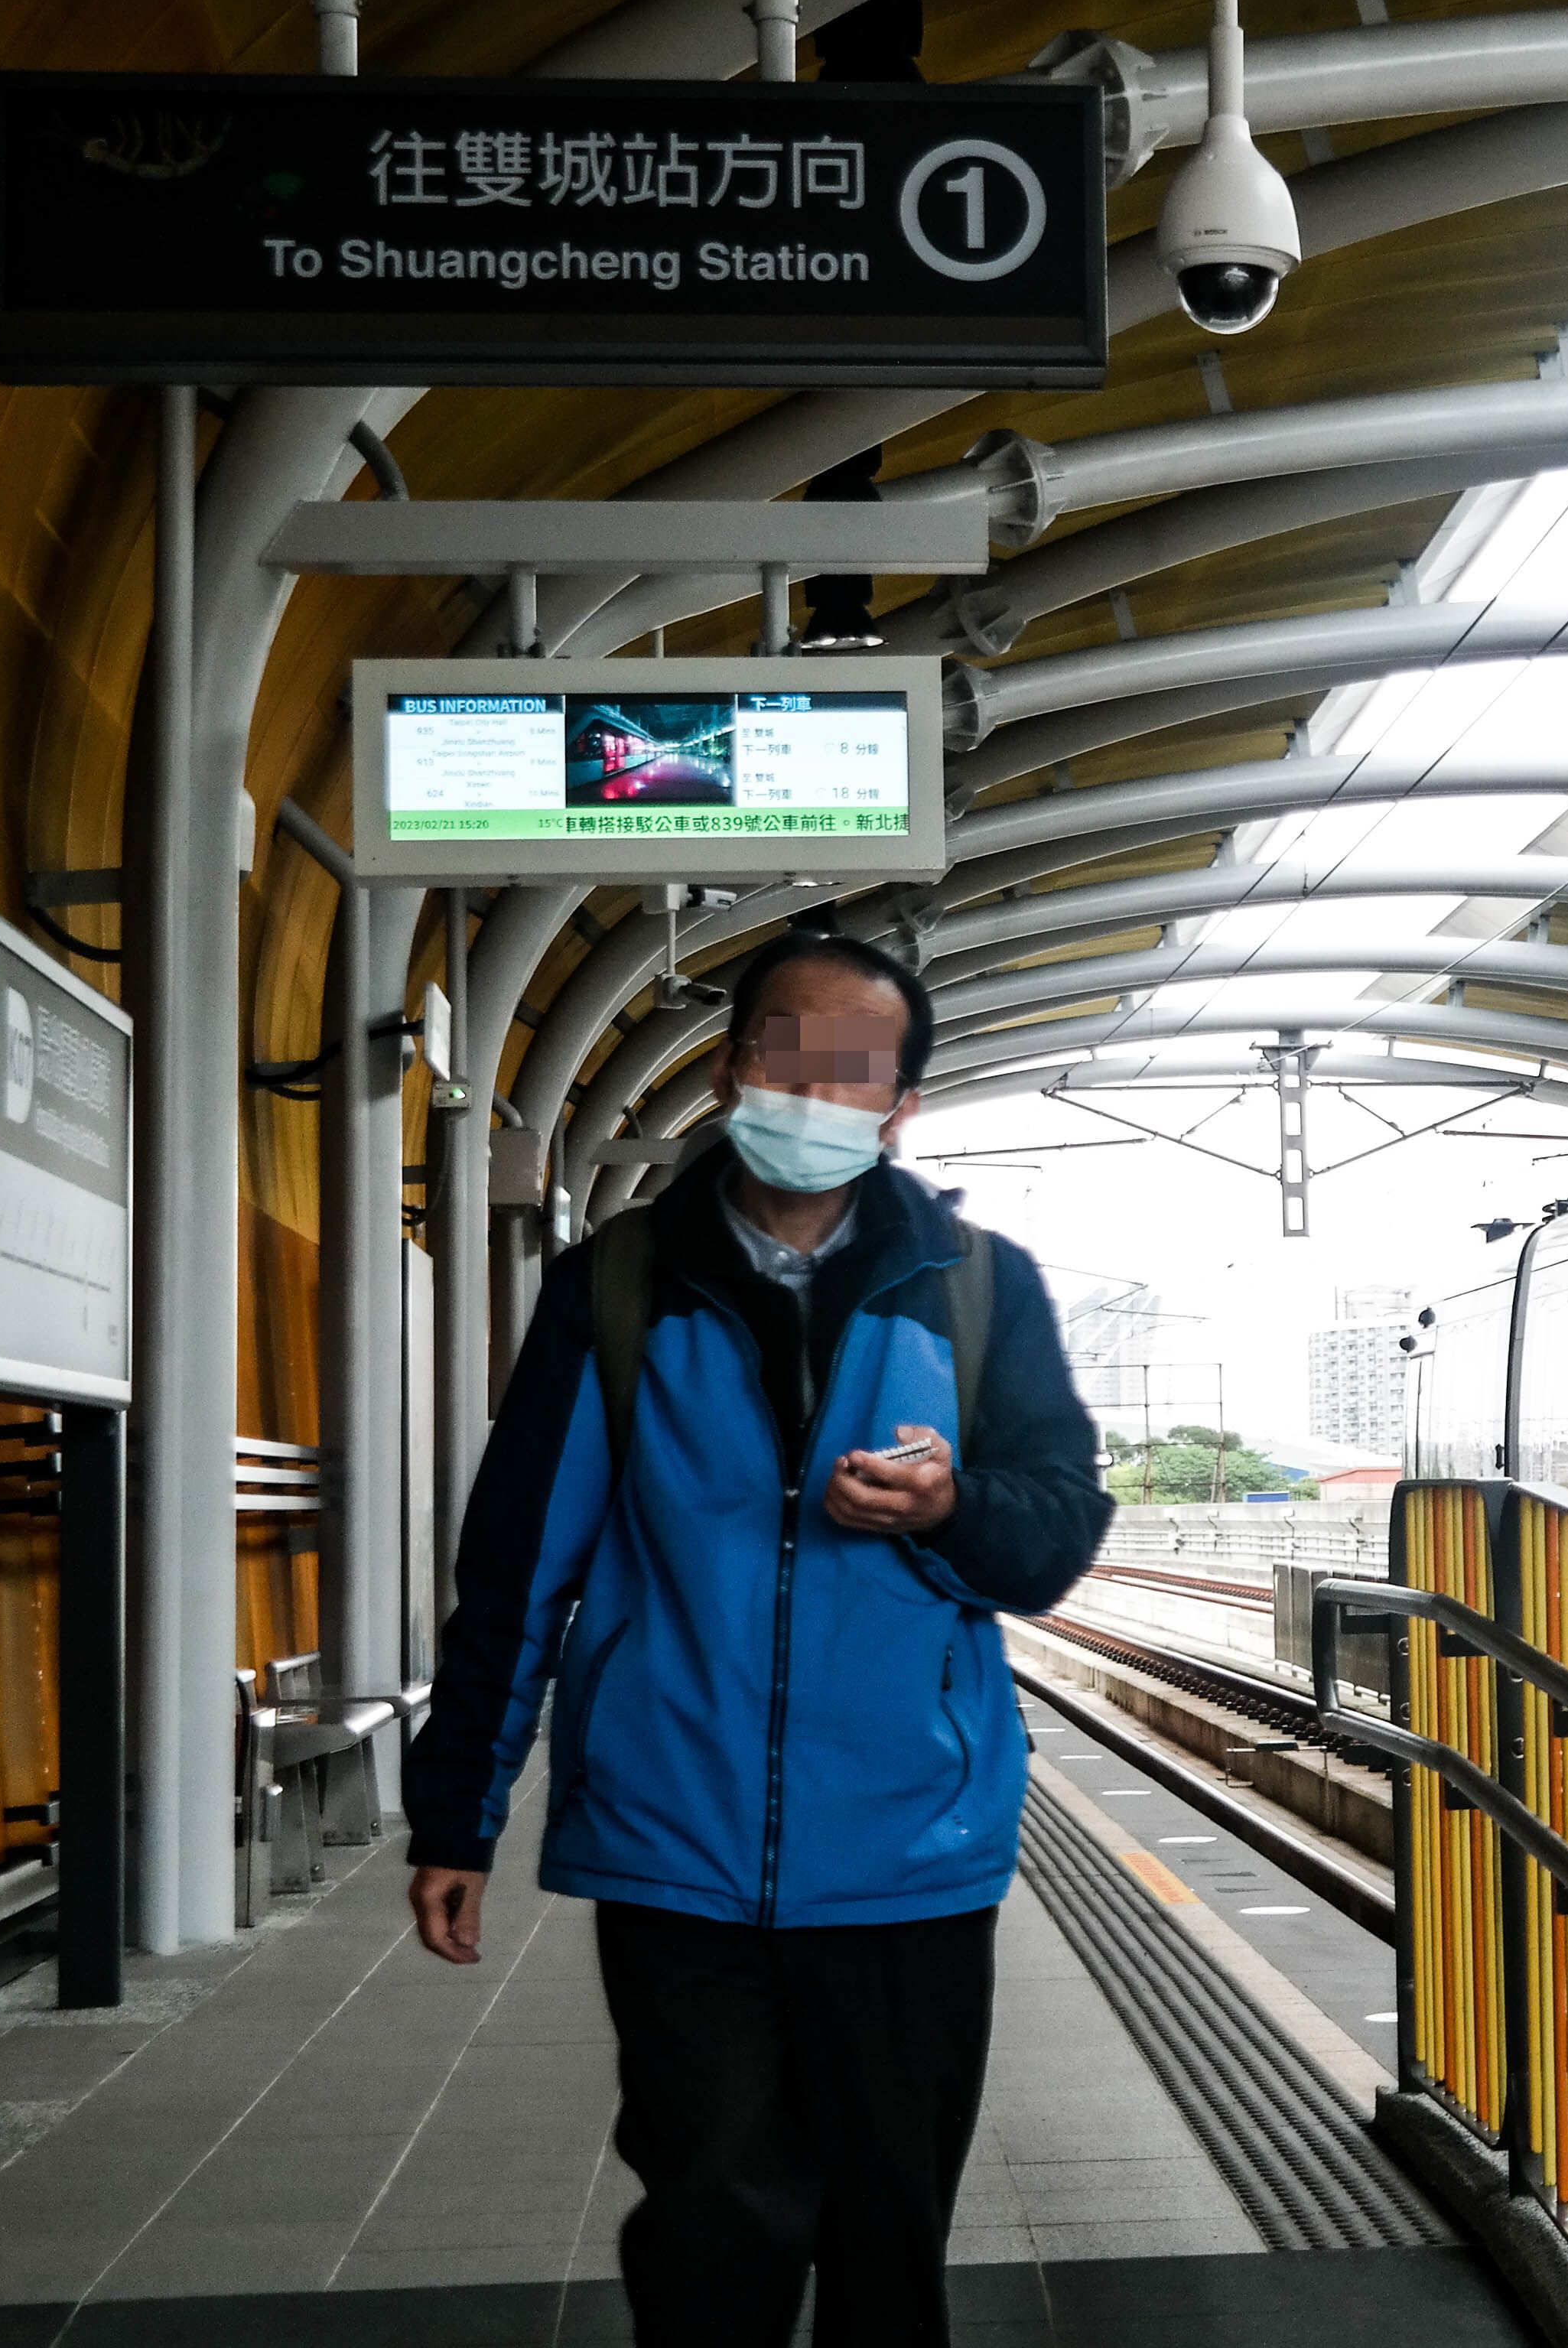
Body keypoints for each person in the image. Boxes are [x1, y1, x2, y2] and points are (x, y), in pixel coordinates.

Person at [400, 930, 1111, 2348]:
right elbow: (520, 1567)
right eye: (788, 1049)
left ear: (899, 1103)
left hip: (909, 1851)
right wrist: (456, 1814)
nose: (815, 1086)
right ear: (733, 1067)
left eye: (854, 1067)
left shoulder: (977, 1286)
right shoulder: (616, 1284)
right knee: (708, 2222)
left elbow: (1053, 1538)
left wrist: (948, 1502)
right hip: (676, 1843)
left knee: (886, 2228)